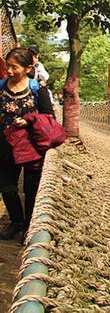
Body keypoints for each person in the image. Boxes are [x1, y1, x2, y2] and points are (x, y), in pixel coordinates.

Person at [0, 48, 55, 240]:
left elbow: (49, 116)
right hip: (6, 145)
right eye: (8, 66)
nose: (10, 71)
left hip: (32, 145)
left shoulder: (37, 89)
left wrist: (29, 120)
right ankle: (16, 221)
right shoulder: (1, 87)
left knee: (31, 188)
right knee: (6, 186)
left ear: (28, 68)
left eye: (14, 67)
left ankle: (28, 226)